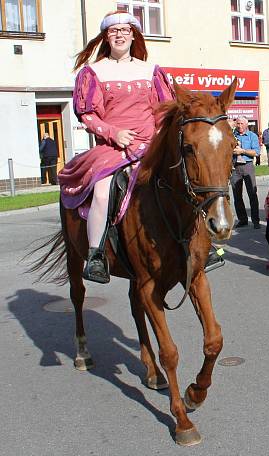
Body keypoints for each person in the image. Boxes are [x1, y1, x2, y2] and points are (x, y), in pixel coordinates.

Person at [58, 11, 174, 284]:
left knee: (184, 179)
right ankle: (97, 254)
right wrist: (113, 132)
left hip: (150, 146)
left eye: (125, 30)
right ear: (106, 37)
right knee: (101, 191)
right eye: (114, 31)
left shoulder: (151, 70)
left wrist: (158, 137)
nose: (120, 35)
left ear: (133, 35)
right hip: (113, 147)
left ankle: (203, 245)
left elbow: (164, 111)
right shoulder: (94, 71)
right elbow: (87, 114)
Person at [230, 116, 260, 229]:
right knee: (237, 196)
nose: (239, 126)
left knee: (252, 193)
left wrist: (242, 151)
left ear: (246, 124)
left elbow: (256, 152)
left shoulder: (252, 136)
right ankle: (242, 219)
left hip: (247, 166)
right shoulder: (232, 135)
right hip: (235, 167)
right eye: (238, 123)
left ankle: (255, 220)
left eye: (242, 123)